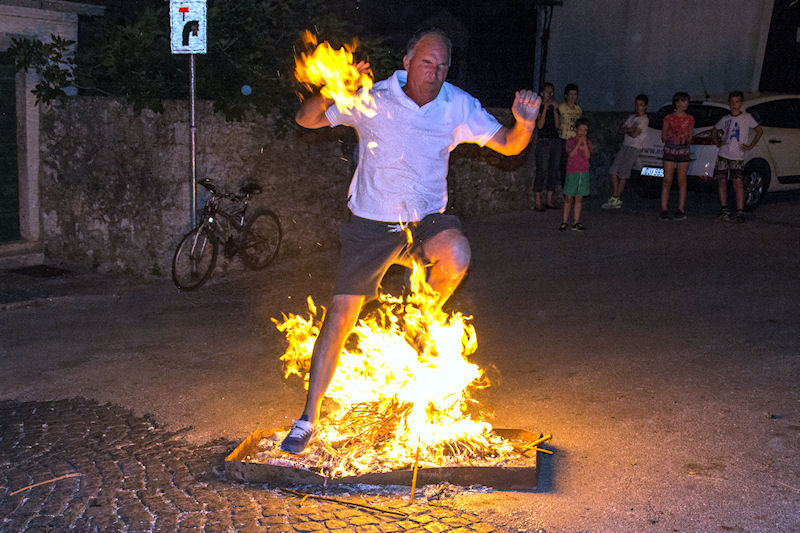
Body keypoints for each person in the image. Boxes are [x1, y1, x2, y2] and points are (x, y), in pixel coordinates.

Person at [281, 29, 542, 455]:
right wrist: (335, 87)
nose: (434, 74)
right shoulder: (372, 96)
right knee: (341, 315)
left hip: (425, 223)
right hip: (371, 224)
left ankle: (417, 320)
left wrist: (525, 122)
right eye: (426, 63)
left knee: (457, 251)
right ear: (406, 62)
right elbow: (305, 118)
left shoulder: (457, 105)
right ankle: (308, 418)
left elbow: (510, 146)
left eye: (442, 66)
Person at [712, 91, 763, 223]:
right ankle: (724, 209)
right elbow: (715, 130)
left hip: (737, 156)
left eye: (737, 102)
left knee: (738, 182)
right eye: (732, 102)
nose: (734, 105)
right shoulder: (725, 118)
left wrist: (750, 145)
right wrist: (718, 142)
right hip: (724, 153)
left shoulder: (747, 117)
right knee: (722, 181)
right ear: (729, 103)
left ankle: (740, 211)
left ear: (741, 103)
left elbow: (759, 130)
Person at [602, 94, 649, 210]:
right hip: (625, 145)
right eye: (637, 105)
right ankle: (615, 195)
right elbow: (621, 130)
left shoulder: (644, 120)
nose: (638, 107)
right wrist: (629, 130)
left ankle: (616, 197)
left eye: (641, 105)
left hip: (634, 147)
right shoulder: (632, 117)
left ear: (645, 107)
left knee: (624, 172)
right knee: (613, 170)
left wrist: (628, 130)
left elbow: (634, 134)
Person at [660, 92, 694, 221]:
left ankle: (680, 209)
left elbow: (690, 137)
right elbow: (663, 137)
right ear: (677, 102)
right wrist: (671, 134)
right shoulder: (668, 118)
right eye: (683, 101)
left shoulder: (689, 119)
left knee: (682, 180)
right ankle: (664, 209)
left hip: (683, 151)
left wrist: (684, 135)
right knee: (667, 179)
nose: (686, 104)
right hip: (670, 151)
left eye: (687, 101)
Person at [531, 82, 561, 211]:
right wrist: (544, 108)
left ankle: (549, 200)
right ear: (542, 93)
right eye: (548, 92)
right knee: (542, 170)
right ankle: (538, 201)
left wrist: (554, 110)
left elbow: (558, 125)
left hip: (555, 140)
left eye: (551, 92)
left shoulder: (555, 107)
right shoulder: (538, 106)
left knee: (553, 170)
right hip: (543, 141)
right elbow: (540, 125)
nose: (550, 94)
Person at [560, 117, 592, 232]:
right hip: (572, 172)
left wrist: (585, 144)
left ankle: (576, 222)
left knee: (579, 198)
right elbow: (571, 154)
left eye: (585, 130)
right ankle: (564, 221)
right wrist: (579, 143)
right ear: (576, 130)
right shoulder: (570, 141)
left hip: (583, 172)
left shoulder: (588, 142)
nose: (583, 133)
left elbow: (587, 156)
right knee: (569, 197)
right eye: (581, 130)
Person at [557, 83, 582, 188]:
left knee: (575, 166)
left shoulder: (578, 109)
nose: (572, 97)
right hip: (565, 139)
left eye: (575, 94)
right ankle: (565, 189)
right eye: (570, 94)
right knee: (565, 166)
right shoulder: (561, 107)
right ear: (566, 95)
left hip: (575, 140)